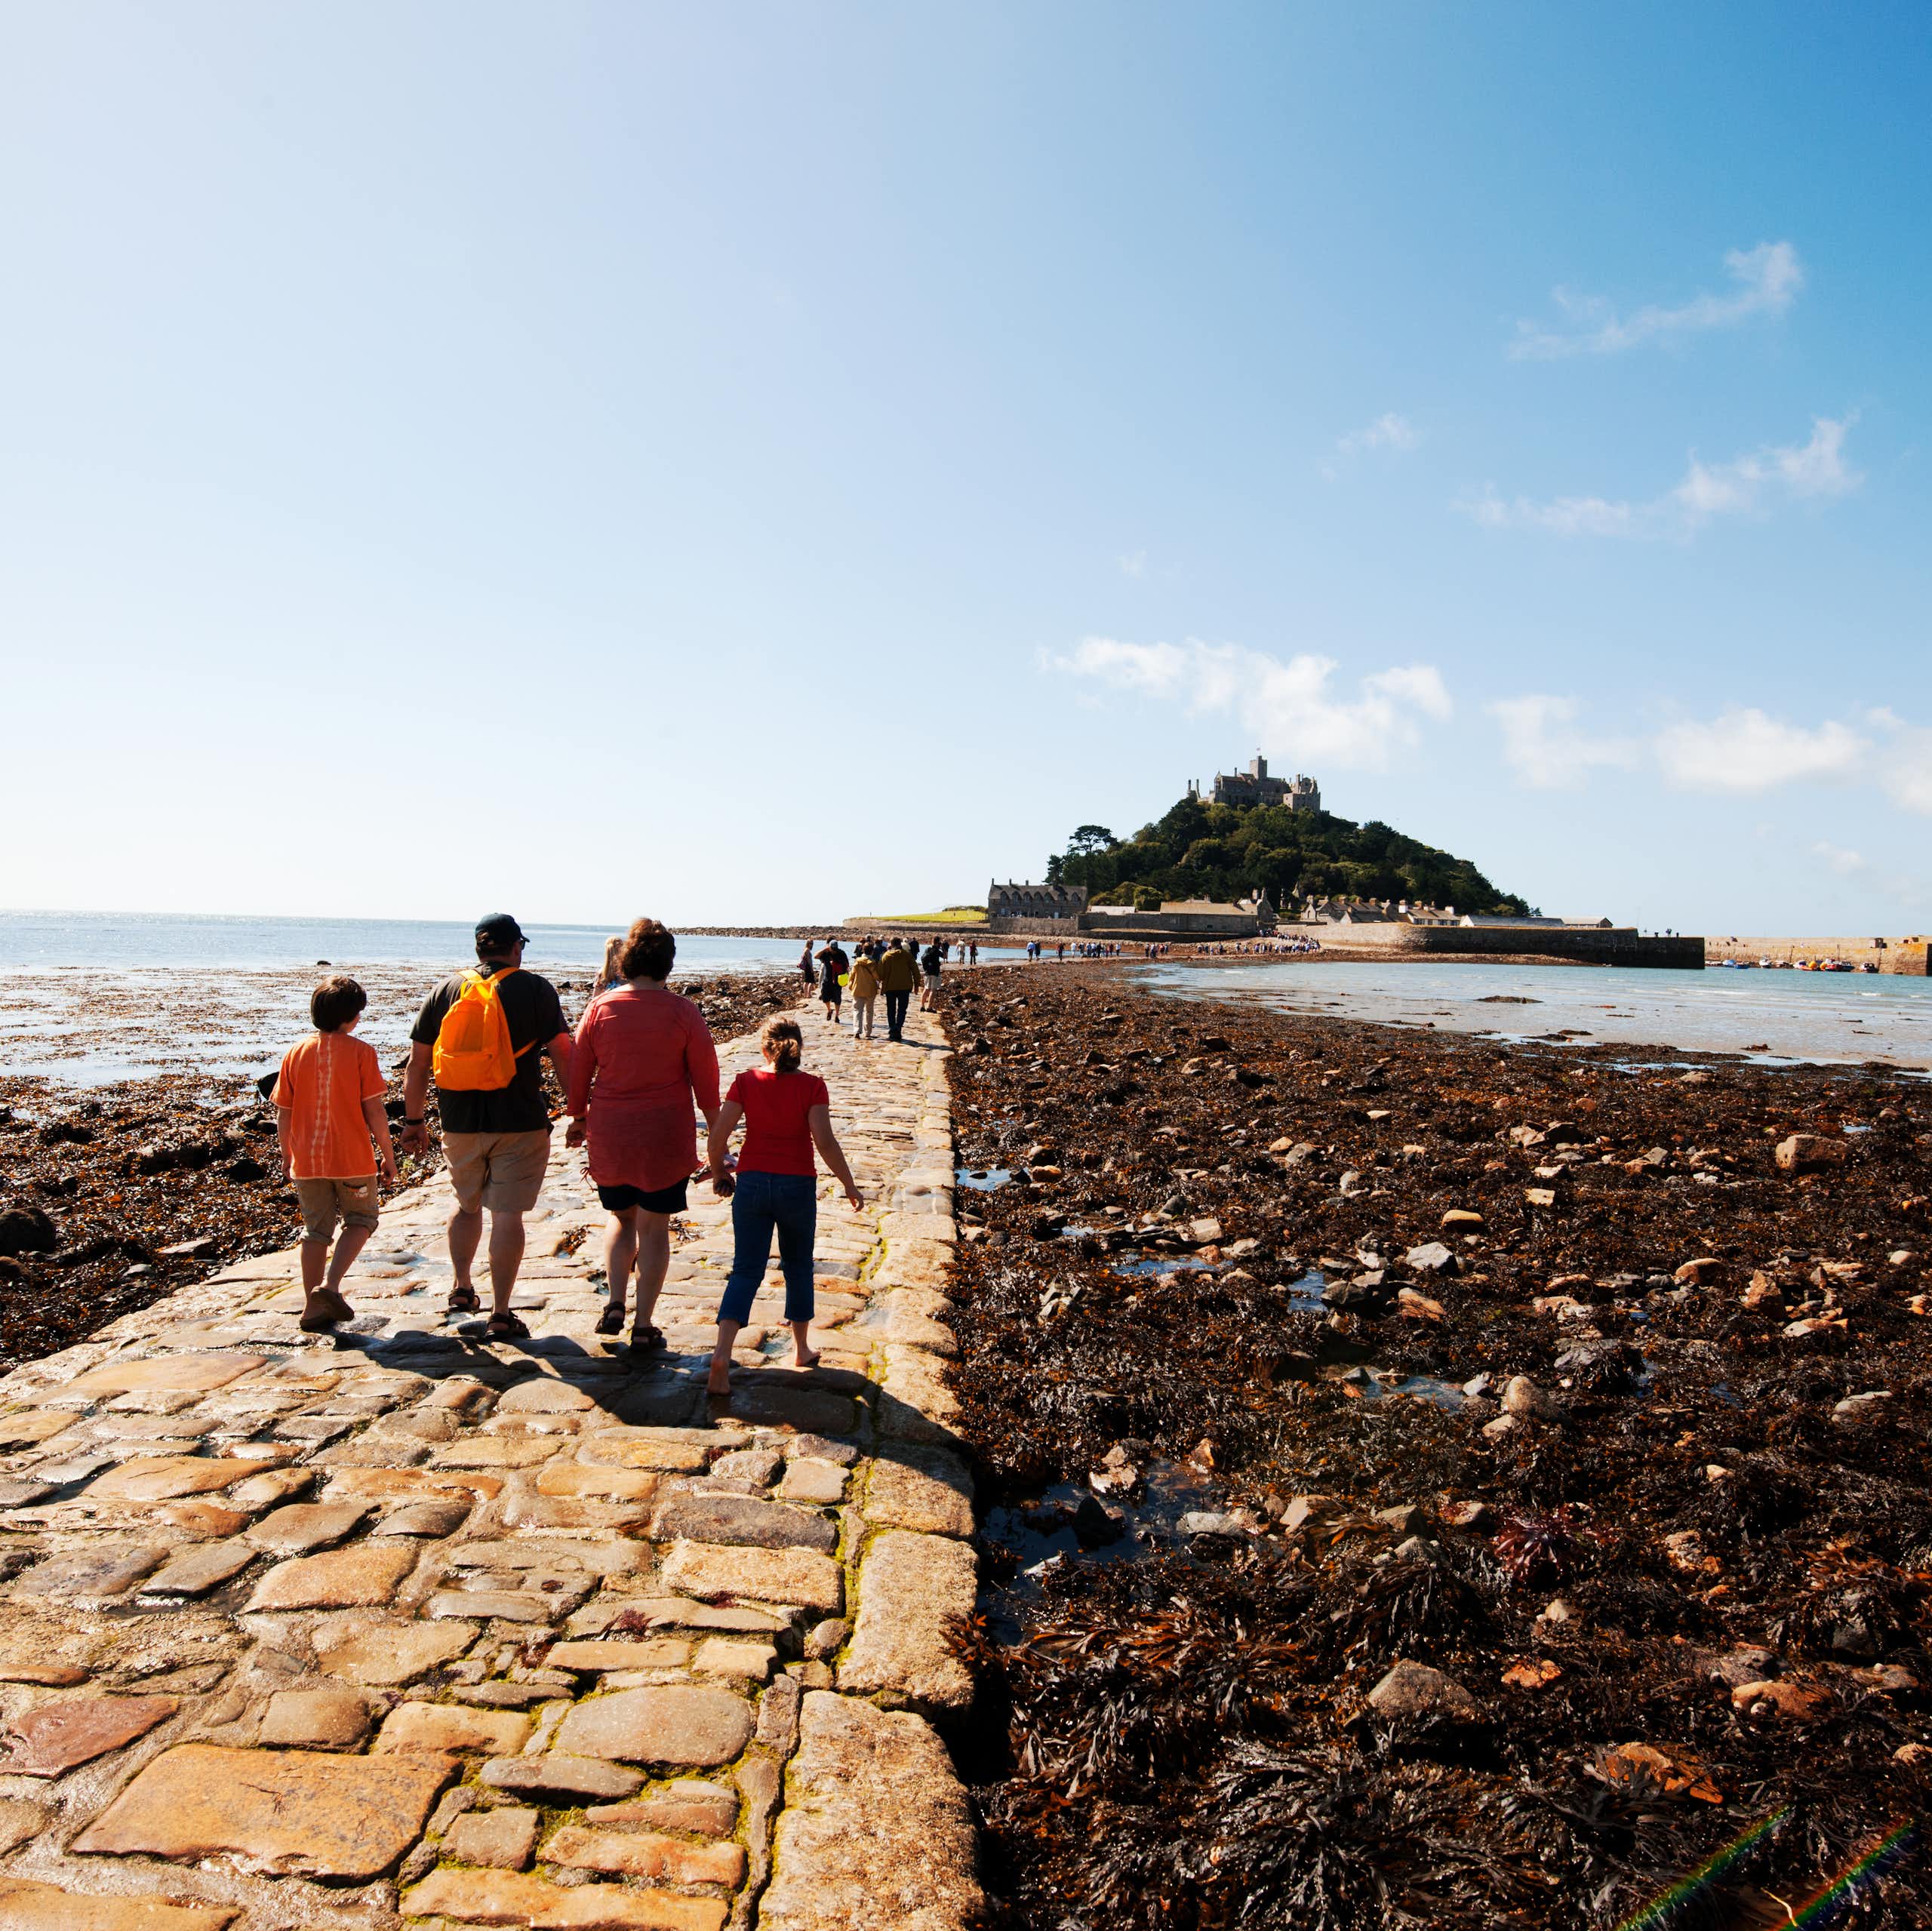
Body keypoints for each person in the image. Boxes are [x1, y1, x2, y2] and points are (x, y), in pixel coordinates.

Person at [401, 914, 573, 1341]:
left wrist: (414, 1121)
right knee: (508, 1215)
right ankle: (500, 1312)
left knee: (466, 1206)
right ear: (516, 947)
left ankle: (461, 1289)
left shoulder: (445, 989)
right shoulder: (535, 988)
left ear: (479, 948)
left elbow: (418, 1064)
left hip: (459, 1122)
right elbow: (564, 1054)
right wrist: (580, 1110)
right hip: (520, 1121)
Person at [565, 918, 720, 1348]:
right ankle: (644, 1323)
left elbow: (580, 1069)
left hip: (612, 1131)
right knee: (655, 1227)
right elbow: (707, 1079)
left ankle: (615, 1302)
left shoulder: (600, 1008)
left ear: (627, 962)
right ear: (667, 964)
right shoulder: (683, 1012)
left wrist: (578, 1117)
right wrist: (716, 1135)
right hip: (665, 1133)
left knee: (621, 1219)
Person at [703, 1016, 863, 1396]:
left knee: (745, 1270)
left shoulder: (745, 1081)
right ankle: (801, 1348)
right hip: (797, 1187)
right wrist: (849, 1184)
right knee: (797, 1265)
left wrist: (718, 1173)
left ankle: (722, 1354)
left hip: (754, 1183)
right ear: (798, 1048)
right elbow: (824, 1142)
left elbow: (718, 1135)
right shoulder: (813, 1087)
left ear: (764, 1048)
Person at [274, 975, 397, 1332]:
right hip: (352, 1158)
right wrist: (387, 1155)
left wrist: (286, 1155)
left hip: (307, 1159)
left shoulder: (296, 1052)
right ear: (352, 1016)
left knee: (315, 1231)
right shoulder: (361, 1052)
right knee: (361, 1219)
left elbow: (284, 1111)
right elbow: (375, 1110)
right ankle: (329, 1286)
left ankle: (312, 1310)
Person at [876, 936, 916, 1041]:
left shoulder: (886, 956)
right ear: (900, 944)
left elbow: (880, 973)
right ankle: (898, 1027)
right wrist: (916, 985)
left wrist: (880, 981)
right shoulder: (907, 955)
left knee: (891, 1009)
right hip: (904, 987)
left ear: (891, 944)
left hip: (890, 987)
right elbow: (915, 971)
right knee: (902, 1009)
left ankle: (893, 1028)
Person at [847, 946, 881, 1039]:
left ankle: (857, 1030)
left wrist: (850, 985)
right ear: (872, 952)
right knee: (869, 1011)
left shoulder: (857, 962)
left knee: (857, 1010)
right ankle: (868, 1032)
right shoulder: (873, 963)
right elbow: (877, 976)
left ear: (863, 951)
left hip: (858, 989)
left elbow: (852, 975)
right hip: (870, 990)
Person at [814, 938, 849, 1024]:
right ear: (829, 947)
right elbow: (815, 956)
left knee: (837, 999)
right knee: (825, 997)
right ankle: (829, 1010)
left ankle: (837, 1016)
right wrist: (824, 950)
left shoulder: (841, 953)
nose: (833, 951)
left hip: (838, 980)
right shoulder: (826, 953)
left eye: (835, 949)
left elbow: (847, 965)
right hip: (827, 979)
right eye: (832, 949)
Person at [918, 936, 943, 1011]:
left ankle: (922, 1006)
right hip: (935, 972)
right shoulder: (937, 950)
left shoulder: (927, 949)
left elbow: (923, 958)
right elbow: (945, 956)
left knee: (926, 989)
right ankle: (929, 1007)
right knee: (933, 990)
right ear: (938, 943)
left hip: (927, 972)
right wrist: (943, 948)